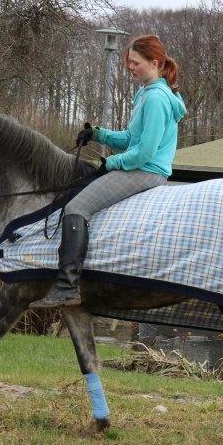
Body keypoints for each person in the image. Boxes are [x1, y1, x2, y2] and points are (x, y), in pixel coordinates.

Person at [31, 34, 187, 309]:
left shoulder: (157, 99)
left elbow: (145, 152)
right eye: (128, 62)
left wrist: (111, 163)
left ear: (154, 62)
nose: (129, 67)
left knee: (76, 207)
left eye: (135, 63)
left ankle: (67, 287)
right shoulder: (145, 93)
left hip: (147, 171)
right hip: (140, 165)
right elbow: (131, 139)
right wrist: (98, 134)